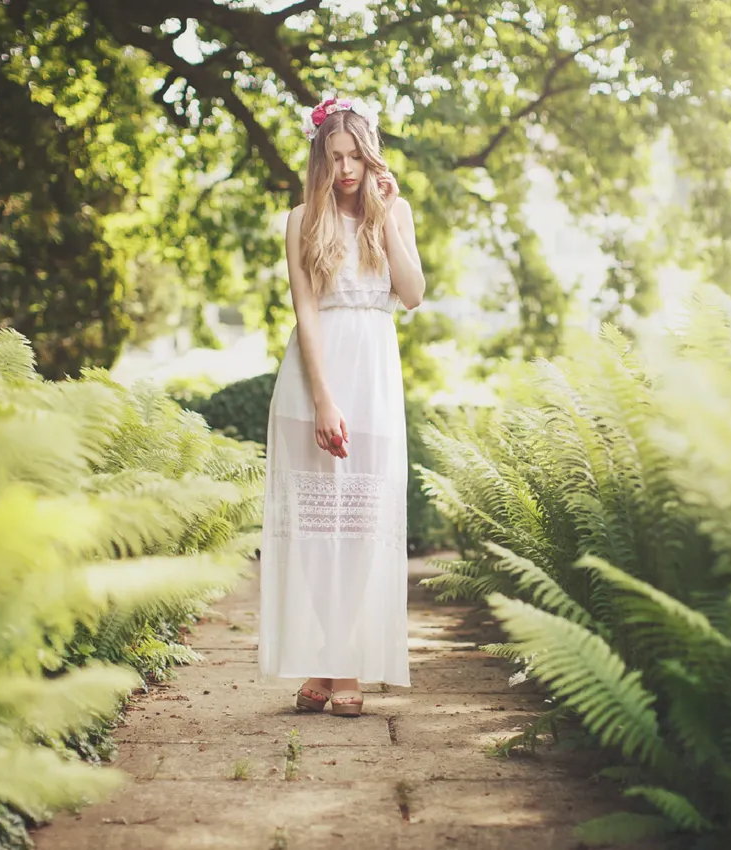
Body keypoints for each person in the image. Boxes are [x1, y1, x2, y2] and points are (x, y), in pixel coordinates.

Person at [258, 95, 426, 718]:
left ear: (371, 154)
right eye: (336, 157)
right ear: (320, 160)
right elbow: (305, 314)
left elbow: (411, 295)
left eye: (356, 156)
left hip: (375, 379)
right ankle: (337, 667)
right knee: (315, 532)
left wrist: (385, 216)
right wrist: (324, 399)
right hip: (316, 382)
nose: (347, 168)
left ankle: (334, 668)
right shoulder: (302, 219)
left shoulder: (395, 212)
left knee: (360, 527)